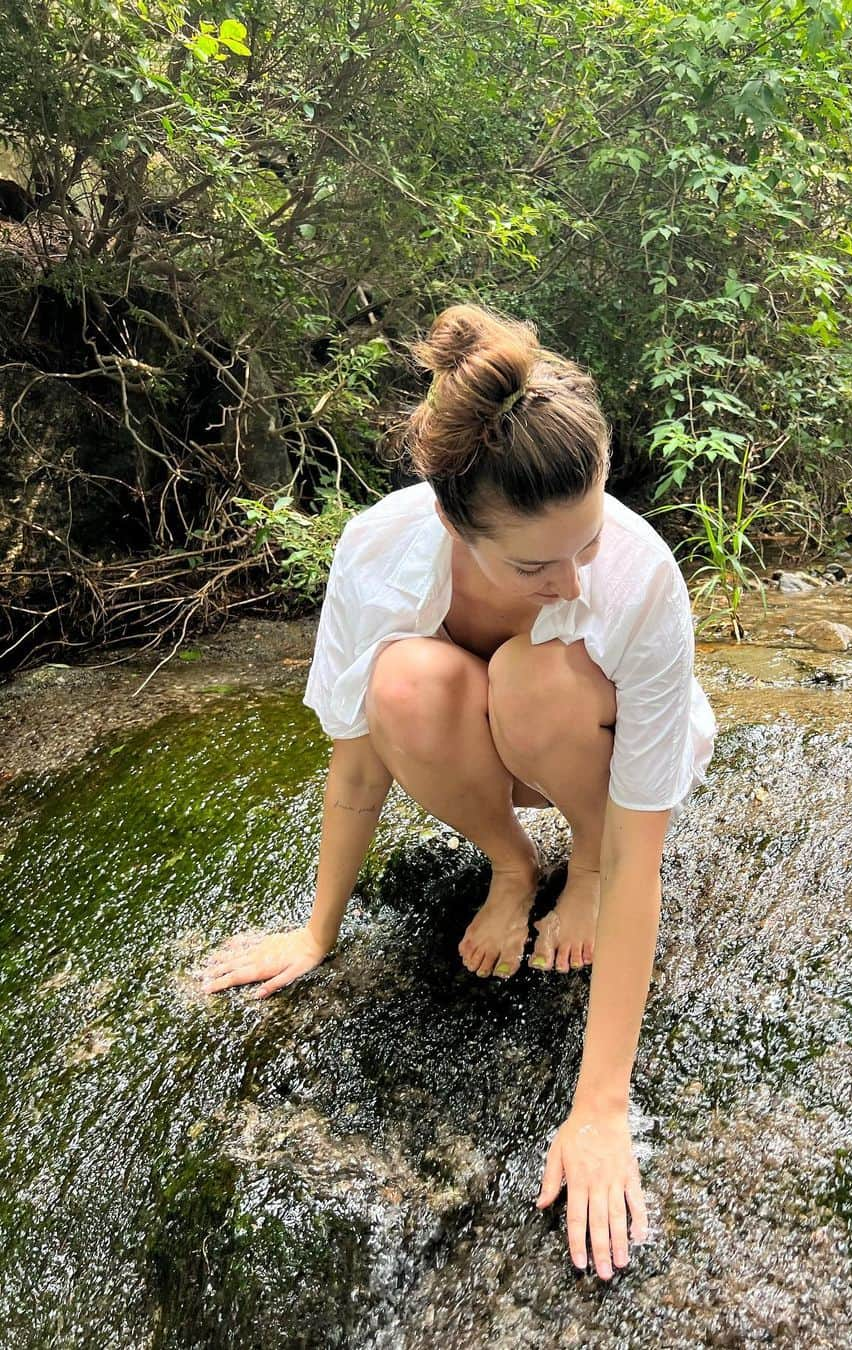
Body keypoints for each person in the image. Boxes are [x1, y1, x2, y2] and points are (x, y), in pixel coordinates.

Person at [201, 302, 717, 1282]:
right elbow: (359, 763)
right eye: (534, 562)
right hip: (482, 755)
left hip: (585, 754)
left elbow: (653, 842)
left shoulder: (641, 580)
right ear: (451, 521)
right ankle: (513, 869)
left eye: (589, 540)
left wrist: (600, 1106)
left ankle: (578, 868)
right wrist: (316, 933)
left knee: (540, 669)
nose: (573, 579)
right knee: (400, 681)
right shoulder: (379, 551)